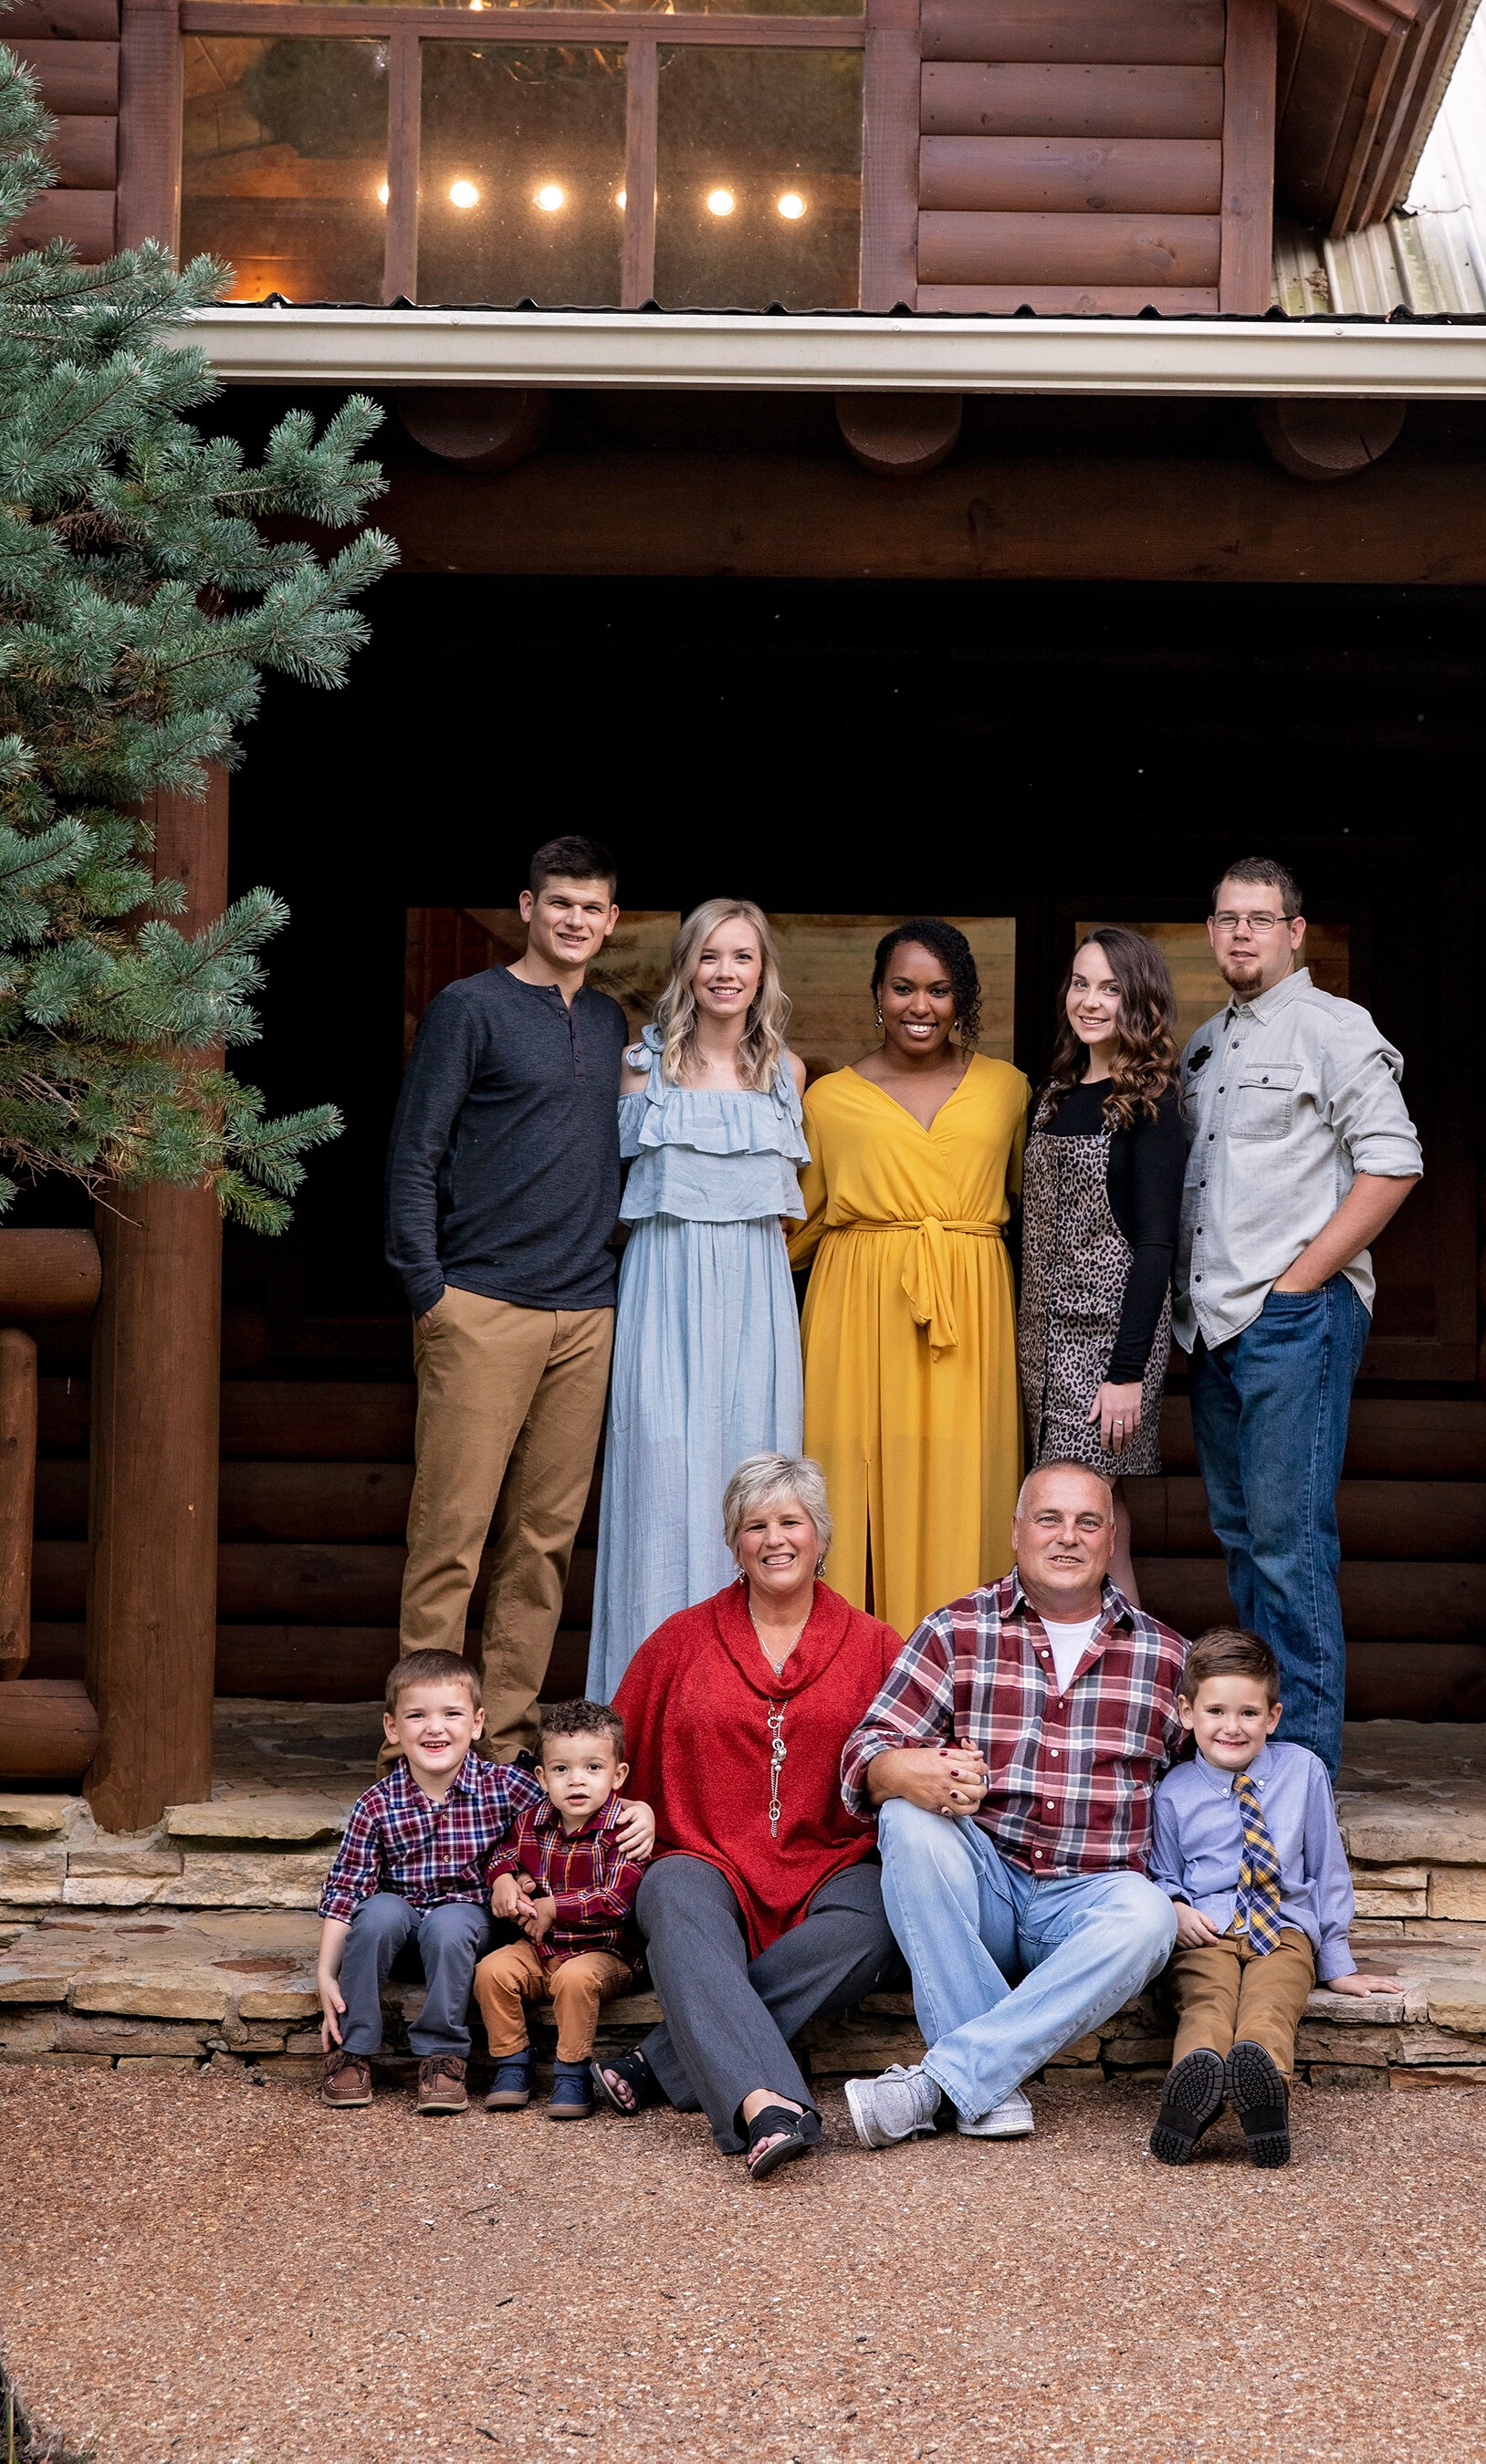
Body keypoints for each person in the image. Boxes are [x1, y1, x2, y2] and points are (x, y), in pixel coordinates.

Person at [839, 1459, 1184, 2149]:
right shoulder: (955, 1629)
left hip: (1088, 1899)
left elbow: (1208, 1789)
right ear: (1017, 1531)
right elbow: (862, 1753)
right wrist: (907, 1768)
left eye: (1088, 1522)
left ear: (1111, 1537)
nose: (1068, 1536)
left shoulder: (1165, 1655)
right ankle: (982, 2079)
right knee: (908, 1815)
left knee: (1148, 1916)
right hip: (984, 1885)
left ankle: (945, 2084)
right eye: (1049, 1518)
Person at [384, 833, 627, 1768]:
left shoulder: (608, 1023)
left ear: (611, 919)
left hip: (585, 1310)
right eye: (557, 902)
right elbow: (415, 1154)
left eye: (591, 906)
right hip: (479, 1303)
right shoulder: (469, 1008)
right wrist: (427, 1291)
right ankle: (416, 1755)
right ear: (527, 908)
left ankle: (505, 1748)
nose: (573, 919)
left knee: (542, 1544)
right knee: (451, 1536)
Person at [1177, 857, 1422, 1779]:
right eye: (1226, 917)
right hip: (1212, 1328)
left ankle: (1305, 1774)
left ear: (1294, 931)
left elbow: (1392, 1160)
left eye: (1259, 917)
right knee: (1245, 1542)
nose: (1241, 932)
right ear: (1211, 932)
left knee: (1288, 1545)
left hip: (1289, 1319)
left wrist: (1299, 1281)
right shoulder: (1205, 1044)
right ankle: (1254, 1750)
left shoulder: (1331, 1028)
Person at [600, 1456, 905, 2181]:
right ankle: (768, 2104)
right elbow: (610, 1752)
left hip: (833, 1858)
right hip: (704, 1857)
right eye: (755, 1524)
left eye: (790, 1521)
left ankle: (660, 2059)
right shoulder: (679, 1639)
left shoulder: (876, 1644)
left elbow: (912, 1749)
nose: (775, 1538)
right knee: (670, 1897)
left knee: (882, 1920)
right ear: (735, 1543)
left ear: (820, 1535)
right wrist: (630, 1803)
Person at [587, 899, 810, 1700]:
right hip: (664, 1285)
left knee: (755, 1471)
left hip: (755, 1291)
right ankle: (650, 1699)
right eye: (710, 956)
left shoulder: (787, 1076)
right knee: (659, 1473)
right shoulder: (640, 1068)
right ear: (686, 967)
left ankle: (747, 1699)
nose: (725, 972)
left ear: (762, 973)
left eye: (742, 957)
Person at [791, 918, 1028, 1631]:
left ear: (962, 1000)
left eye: (938, 990)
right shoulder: (828, 1099)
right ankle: (850, 1671)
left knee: (966, 1483)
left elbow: (1038, 1212)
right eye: (903, 988)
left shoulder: (1007, 1090)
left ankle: (963, 1666)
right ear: (877, 994)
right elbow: (789, 1224)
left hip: (970, 1306)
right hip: (856, 1308)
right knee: (851, 1479)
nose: (919, 1006)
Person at [313, 1649, 654, 2116]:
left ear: (476, 1723)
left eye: (451, 1714)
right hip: (400, 1936)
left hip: (462, 1937)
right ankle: (353, 2050)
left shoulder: (508, 1786)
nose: (435, 1728)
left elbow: (576, 1797)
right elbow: (344, 1893)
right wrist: (325, 1973)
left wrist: (640, 1810)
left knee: (450, 1923)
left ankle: (442, 2056)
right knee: (377, 1912)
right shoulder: (376, 1804)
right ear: (393, 1729)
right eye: (417, 1716)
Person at [1146, 1626, 1399, 2170]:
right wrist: (1175, 1909)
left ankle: (1265, 2093)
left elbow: (1326, 1867)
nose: (1231, 1727)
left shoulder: (1303, 1772)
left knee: (1272, 2002)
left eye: (1248, 1713)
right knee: (1205, 2000)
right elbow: (1163, 1872)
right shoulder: (1172, 1792)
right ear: (1187, 1713)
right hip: (1206, 1931)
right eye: (1216, 1711)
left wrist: (1336, 1960)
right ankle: (1192, 2089)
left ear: (1273, 1716)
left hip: (1283, 1928)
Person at [1020, 926, 1188, 1607]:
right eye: (1081, 982)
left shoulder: (1152, 1100)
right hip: (1040, 1338)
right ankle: (1121, 1680)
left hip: (1106, 1346)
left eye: (1110, 988)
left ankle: (1122, 1680)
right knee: (1097, 1518)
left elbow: (1156, 1246)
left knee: (1080, 1516)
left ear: (1139, 1000)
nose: (1089, 1000)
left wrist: (1125, 1374)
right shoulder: (1055, 1093)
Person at [476, 1699, 645, 2118]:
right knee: (491, 1971)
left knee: (574, 1979)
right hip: (541, 1948)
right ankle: (514, 2063)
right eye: (561, 1769)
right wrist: (503, 1880)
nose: (577, 1782)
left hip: (605, 1953)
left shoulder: (623, 1828)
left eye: (593, 1768)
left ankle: (572, 2072)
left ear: (617, 1775)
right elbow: (502, 1854)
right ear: (542, 1776)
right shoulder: (531, 1821)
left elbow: (617, 1900)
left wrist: (556, 1907)